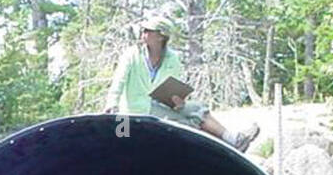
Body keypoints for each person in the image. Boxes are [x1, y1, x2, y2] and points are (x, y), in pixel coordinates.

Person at [103, 16, 259, 152]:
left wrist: (177, 100)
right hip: (129, 112)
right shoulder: (132, 54)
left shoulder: (172, 59)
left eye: (148, 31)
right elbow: (119, 81)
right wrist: (112, 104)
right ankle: (223, 146)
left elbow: (172, 90)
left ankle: (233, 140)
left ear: (160, 36)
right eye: (143, 30)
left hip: (156, 107)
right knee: (122, 138)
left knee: (197, 109)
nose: (144, 33)